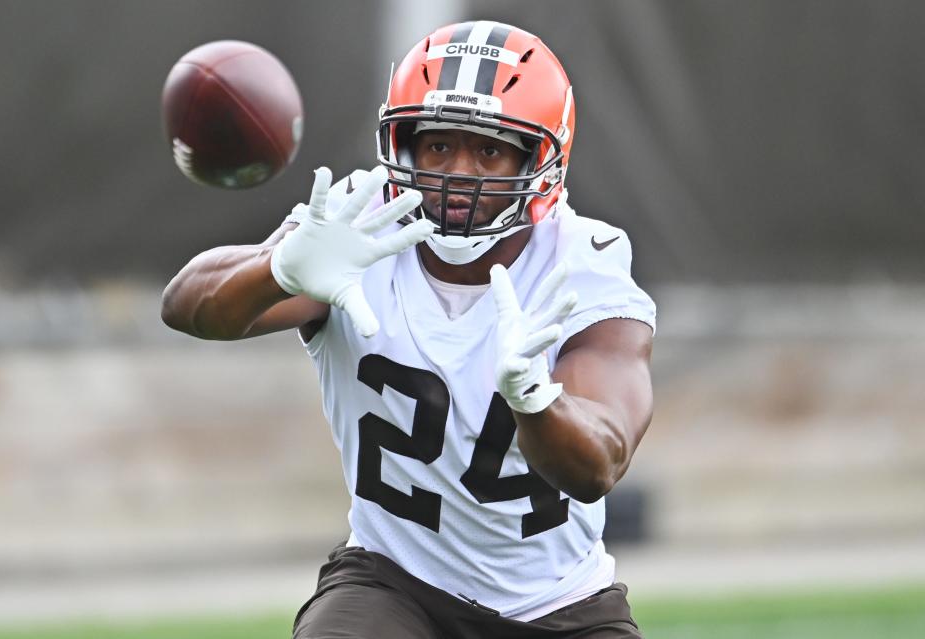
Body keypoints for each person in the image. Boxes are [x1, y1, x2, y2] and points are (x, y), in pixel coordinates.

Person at [162, 20, 655, 639]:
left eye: (490, 149)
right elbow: (187, 306)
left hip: (559, 606)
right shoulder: (363, 221)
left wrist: (537, 400)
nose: (459, 174)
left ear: (540, 159)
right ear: (402, 147)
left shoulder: (582, 265)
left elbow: (598, 465)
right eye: (438, 146)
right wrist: (278, 268)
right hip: (394, 584)